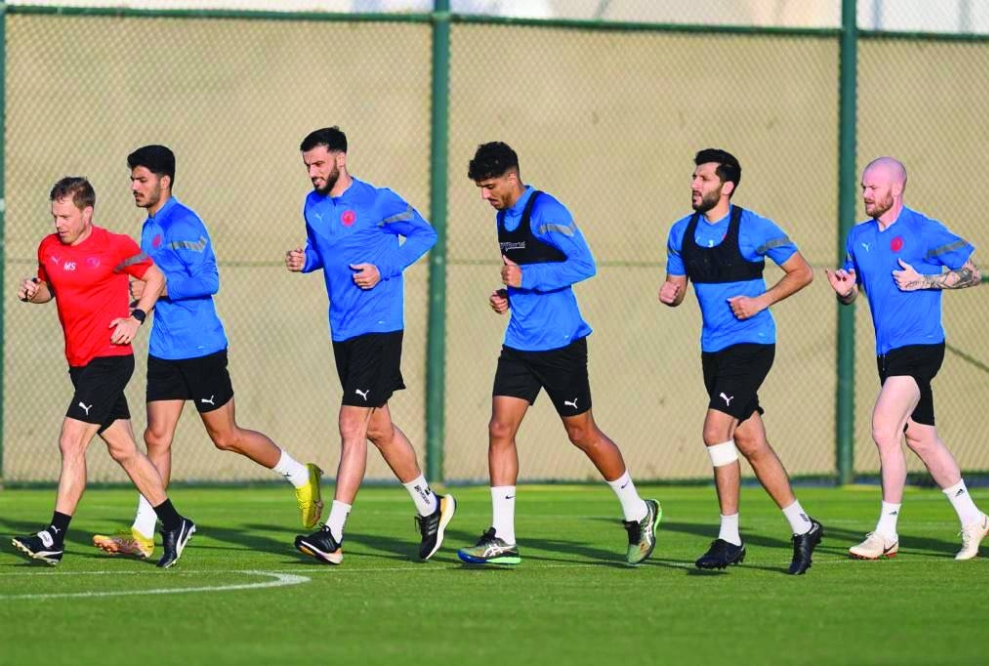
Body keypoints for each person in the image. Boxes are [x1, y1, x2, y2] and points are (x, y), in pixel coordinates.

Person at [92, 145, 323, 561]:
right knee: (156, 437)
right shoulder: (150, 227)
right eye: (132, 179)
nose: (134, 187)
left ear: (164, 181)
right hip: (165, 347)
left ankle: (299, 474)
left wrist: (160, 287)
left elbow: (208, 279)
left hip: (201, 347)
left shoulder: (183, 222)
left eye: (141, 179)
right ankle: (144, 532)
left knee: (225, 436)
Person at [458, 141, 661, 567]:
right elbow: (524, 275)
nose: (484, 195)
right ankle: (503, 538)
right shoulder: (502, 217)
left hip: (561, 344)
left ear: (512, 177)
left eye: (490, 185)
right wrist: (508, 294)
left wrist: (525, 277)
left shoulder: (547, 211)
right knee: (499, 429)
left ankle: (639, 513)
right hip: (519, 343)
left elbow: (584, 264)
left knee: (581, 434)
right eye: (480, 187)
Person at [285, 126, 453, 565]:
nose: (313, 173)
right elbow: (325, 251)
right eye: (307, 166)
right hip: (342, 328)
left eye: (319, 164)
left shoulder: (378, 200)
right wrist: (306, 261)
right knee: (378, 428)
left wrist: (382, 268)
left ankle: (333, 534)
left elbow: (424, 235)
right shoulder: (312, 205)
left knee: (351, 425)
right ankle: (429, 506)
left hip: (378, 325)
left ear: (341, 158)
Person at [12, 177, 195, 568]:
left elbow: (155, 278)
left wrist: (136, 317)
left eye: (65, 216)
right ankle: (174, 523)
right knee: (124, 450)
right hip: (79, 364)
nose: (58, 222)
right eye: (54, 215)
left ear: (86, 212)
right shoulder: (48, 247)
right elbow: (50, 289)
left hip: (110, 358)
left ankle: (54, 536)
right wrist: (33, 292)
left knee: (71, 440)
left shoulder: (116, 247)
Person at [659, 149, 823, 575]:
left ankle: (729, 538)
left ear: (726, 186)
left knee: (715, 431)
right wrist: (671, 294)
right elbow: (676, 285)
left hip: (752, 343)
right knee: (750, 442)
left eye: (704, 179)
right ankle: (803, 526)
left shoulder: (755, 228)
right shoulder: (681, 232)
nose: (695, 185)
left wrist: (760, 301)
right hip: (712, 350)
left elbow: (801, 272)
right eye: (693, 177)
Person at [827, 156, 989, 561]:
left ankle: (885, 532)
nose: (865, 193)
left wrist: (926, 280)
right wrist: (846, 291)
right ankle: (973, 518)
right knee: (920, 438)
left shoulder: (924, 230)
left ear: (895, 189)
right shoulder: (858, 237)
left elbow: (973, 273)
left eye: (873, 187)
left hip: (921, 346)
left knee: (885, 428)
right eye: (863, 186)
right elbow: (858, 293)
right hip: (888, 351)